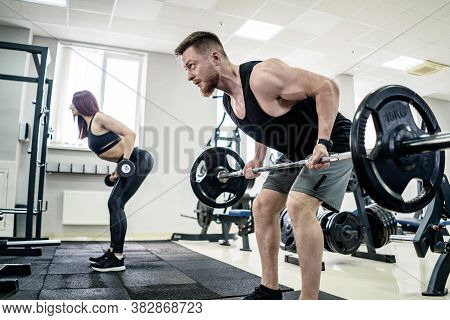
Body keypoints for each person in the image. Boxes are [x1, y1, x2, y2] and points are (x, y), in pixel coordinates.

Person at [174, 32, 353, 300]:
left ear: (214, 57)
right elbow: (260, 127)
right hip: (293, 153)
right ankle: (270, 288)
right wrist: (257, 159)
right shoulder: (229, 102)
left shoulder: (262, 76)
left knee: (298, 205)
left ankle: (309, 300)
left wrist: (323, 142)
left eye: (191, 65)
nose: (189, 75)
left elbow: (327, 87)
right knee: (262, 206)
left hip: (334, 144)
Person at [69, 90, 154, 272]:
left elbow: (130, 134)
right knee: (113, 204)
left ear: (83, 103)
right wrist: (116, 171)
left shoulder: (99, 118)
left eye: (73, 103)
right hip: (130, 161)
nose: (70, 107)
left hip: (139, 159)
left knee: (116, 204)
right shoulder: (89, 125)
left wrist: (124, 162)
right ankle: (113, 252)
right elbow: (116, 150)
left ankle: (117, 257)